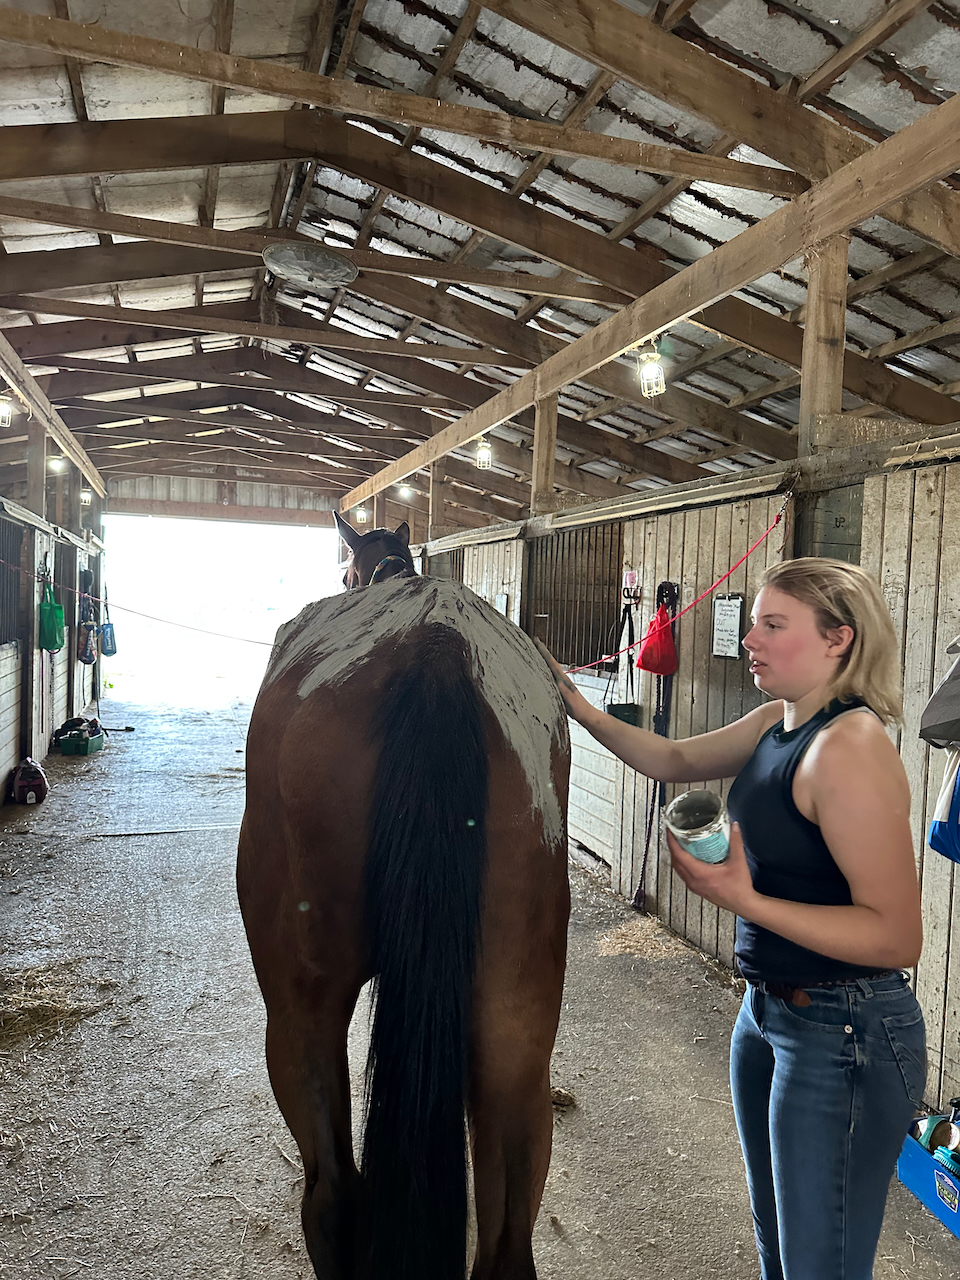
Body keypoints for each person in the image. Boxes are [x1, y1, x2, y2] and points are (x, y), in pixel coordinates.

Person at [545, 557, 925, 1280]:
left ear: (838, 638)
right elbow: (672, 758)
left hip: (846, 1026)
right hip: (768, 1012)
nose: (751, 640)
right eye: (754, 623)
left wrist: (744, 901)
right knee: (778, 1246)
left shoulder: (849, 749)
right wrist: (581, 707)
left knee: (819, 1263)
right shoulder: (778, 721)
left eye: (773, 625)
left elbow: (895, 935)